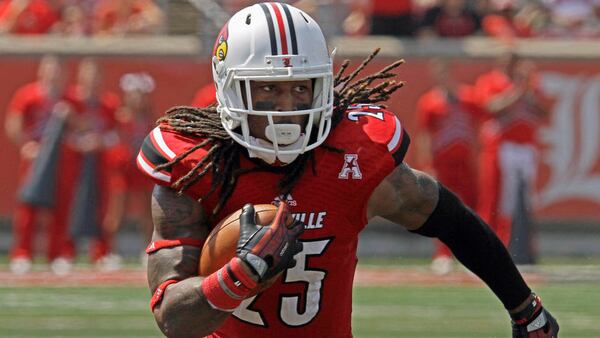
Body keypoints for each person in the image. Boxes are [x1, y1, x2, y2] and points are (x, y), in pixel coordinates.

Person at [137, 3, 559, 337]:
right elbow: (174, 319)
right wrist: (238, 275)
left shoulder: (352, 156)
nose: (287, 108)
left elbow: (453, 220)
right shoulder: (195, 168)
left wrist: (525, 308)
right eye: (267, 88)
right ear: (230, 88)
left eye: (301, 88)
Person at [5, 55, 78, 275]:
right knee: (28, 205)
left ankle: (56, 253)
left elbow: (80, 126)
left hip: (61, 159)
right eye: (50, 69)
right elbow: (13, 122)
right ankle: (22, 253)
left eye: (58, 70)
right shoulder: (28, 95)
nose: (54, 74)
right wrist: (26, 145)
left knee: (61, 205)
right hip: (36, 159)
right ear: (42, 71)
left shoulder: (69, 99)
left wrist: (70, 116)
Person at [474, 52, 548, 257]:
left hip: (525, 147)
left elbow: (545, 110)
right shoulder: (491, 81)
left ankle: (521, 249)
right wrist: (518, 91)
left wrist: (528, 89)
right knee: (495, 200)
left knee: (524, 201)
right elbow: (491, 106)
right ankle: (486, 250)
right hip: (501, 146)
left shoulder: (531, 83)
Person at [415, 58, 486, 274]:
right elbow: (425, 135)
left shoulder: (468, 97)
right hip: (443, 163)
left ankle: (472, 255)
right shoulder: (429, 101)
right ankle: (443, 254)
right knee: (443, 210)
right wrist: (427, 164)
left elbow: (482, 119)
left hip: (465, 162)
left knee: (471, 207)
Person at [65, 57, 122, 269]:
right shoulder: (71, 102)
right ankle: (66, 251)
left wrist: (100, 141)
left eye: (96, 76)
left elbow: (117, 133)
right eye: (88, 75)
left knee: (104, 207)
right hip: (74, 161)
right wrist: (79, 142)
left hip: (101, 163)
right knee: (70, 205)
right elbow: (63, 132)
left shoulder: (109, 103)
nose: (92, 80)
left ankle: (101, 251)